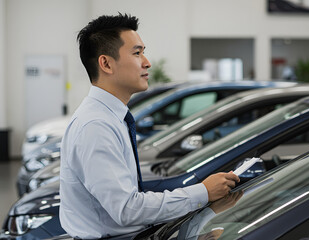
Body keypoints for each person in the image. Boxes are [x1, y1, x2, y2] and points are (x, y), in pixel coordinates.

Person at [59, 13, 240, 239]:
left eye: (143, 52)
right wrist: (203, 192)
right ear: (106, 63)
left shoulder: (109, 118)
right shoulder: (95, 126)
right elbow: (127, 209)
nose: (147, 62)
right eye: (137, 53)